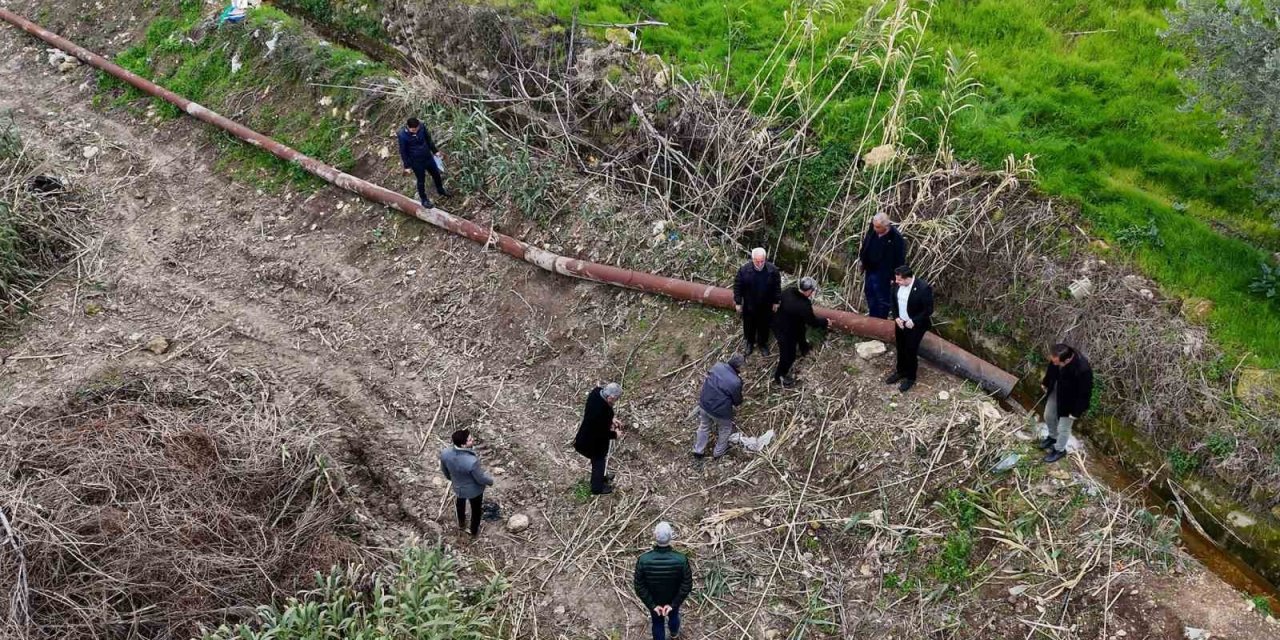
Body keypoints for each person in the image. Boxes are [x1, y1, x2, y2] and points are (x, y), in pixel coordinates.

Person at [634, 522, 693, 640]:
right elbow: (687, 584)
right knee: (674, 616)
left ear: (655, 536)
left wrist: (652, 605)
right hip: (673, 600)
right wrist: (673, 604)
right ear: (671, 536)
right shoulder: (681, 560)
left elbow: (639, 585)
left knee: (657, 623)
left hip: (655, 601)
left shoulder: (643, 560)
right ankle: (674, 635)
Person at [1039, 343, 1094, 464]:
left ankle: (1059, 449)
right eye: (1053, 361)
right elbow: (1051, 369)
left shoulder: (1083, 370)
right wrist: (1046, 382)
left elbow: (1085, 393)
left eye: (1057, 362)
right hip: (1057, 389)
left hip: (1070, 400)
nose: (1054, 363)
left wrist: (1076, 412)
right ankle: (1052, 437)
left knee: (1063, 428)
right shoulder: (1057, 358)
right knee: (1048, 416)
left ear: (1067, 360)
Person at [772, 277, 829, 387]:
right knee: (788, 355)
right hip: (784, 330)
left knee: (801, 332)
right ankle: (780, 375)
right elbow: (812, 321)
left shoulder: (789, 291)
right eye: (813, 291)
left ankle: (804, 348)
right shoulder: (803, 305)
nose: (813, 293)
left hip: (786, 321)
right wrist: (825, 322)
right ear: (808, 291)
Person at [884, 265, 934, 393]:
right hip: (900, 323)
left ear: (908, 279)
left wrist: (914, 321)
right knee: (900, 347)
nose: (897, 282)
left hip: (915, 326)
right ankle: (901, 371)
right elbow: (893, 302)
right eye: (896, 280)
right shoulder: (896, 285)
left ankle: (911, 377)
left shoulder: (923, 288)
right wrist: (896, 318)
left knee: (910, 350)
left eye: (900, 280)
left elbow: (928, 310)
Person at [438, 428, 495, 536]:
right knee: (476, 510)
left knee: (460, 504)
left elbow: (444, 470)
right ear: (463, 445)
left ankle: (461, 523)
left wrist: (452, 479)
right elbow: (480, 478)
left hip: (458, 487)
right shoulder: (471, 461)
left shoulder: (445, 453)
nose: (472, 440)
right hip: (474, 491)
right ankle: (474, 531)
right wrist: (490, 481)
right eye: (469, 440)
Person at [573, 382, 624, 495]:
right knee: (599, 461)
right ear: (610, 397)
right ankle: (597, 488)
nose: (615, 402)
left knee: (598, 463)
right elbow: (601, 433)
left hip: (584, 436)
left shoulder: (595, 393)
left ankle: (600, 478)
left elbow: (598, 420)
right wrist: (615, 434)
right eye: (615, 399)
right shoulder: (605, 411)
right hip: (591, 443)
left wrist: (610, 420)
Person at [692, 354, 745, 460]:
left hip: (704, 403)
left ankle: (698, 451)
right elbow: (737, 401)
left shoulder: (717, 366)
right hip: (719, 411)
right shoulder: (736, 382)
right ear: (738, 367)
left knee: (704, 426)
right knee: (725, 428)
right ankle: (718, 452)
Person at [733, 248, 782, 357]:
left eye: (762, 261)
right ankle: (749, 343)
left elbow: (777, 287)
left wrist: (776, 301)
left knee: (764, 326)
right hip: (750, 305)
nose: (760, 264)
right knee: (749, 325)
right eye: (757, 261)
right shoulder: (744, 270)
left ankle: (762, 344)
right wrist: (738, 302)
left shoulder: (772, 270)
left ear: (765, 259)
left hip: (766, 305)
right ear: (752, 259)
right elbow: (737, 286)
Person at [857, 212, 907, 318]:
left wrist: (895, 276)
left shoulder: (896, 238)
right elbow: (866, 243)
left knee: (882, 299)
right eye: (874, 226)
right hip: (870, 268)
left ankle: (880, 321)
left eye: (878, 227)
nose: (875, 229)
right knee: (870, 293)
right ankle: (873, 317)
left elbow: (900, 259)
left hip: (884, 273)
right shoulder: (873, 229)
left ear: (886, 226)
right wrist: (862, 260)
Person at [397, 117, 449, 209]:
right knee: (421, 181)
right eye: (414, 129)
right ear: (408, 127)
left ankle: (441, 190)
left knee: (436, 174)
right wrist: (407, 166)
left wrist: (435, 151)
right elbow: (403, 152)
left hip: (428, 157)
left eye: (417, 129)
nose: (416, 131)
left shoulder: (421, 127)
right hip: (416, 162)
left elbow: (428, 140)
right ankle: (424, 200)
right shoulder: (402, 136)